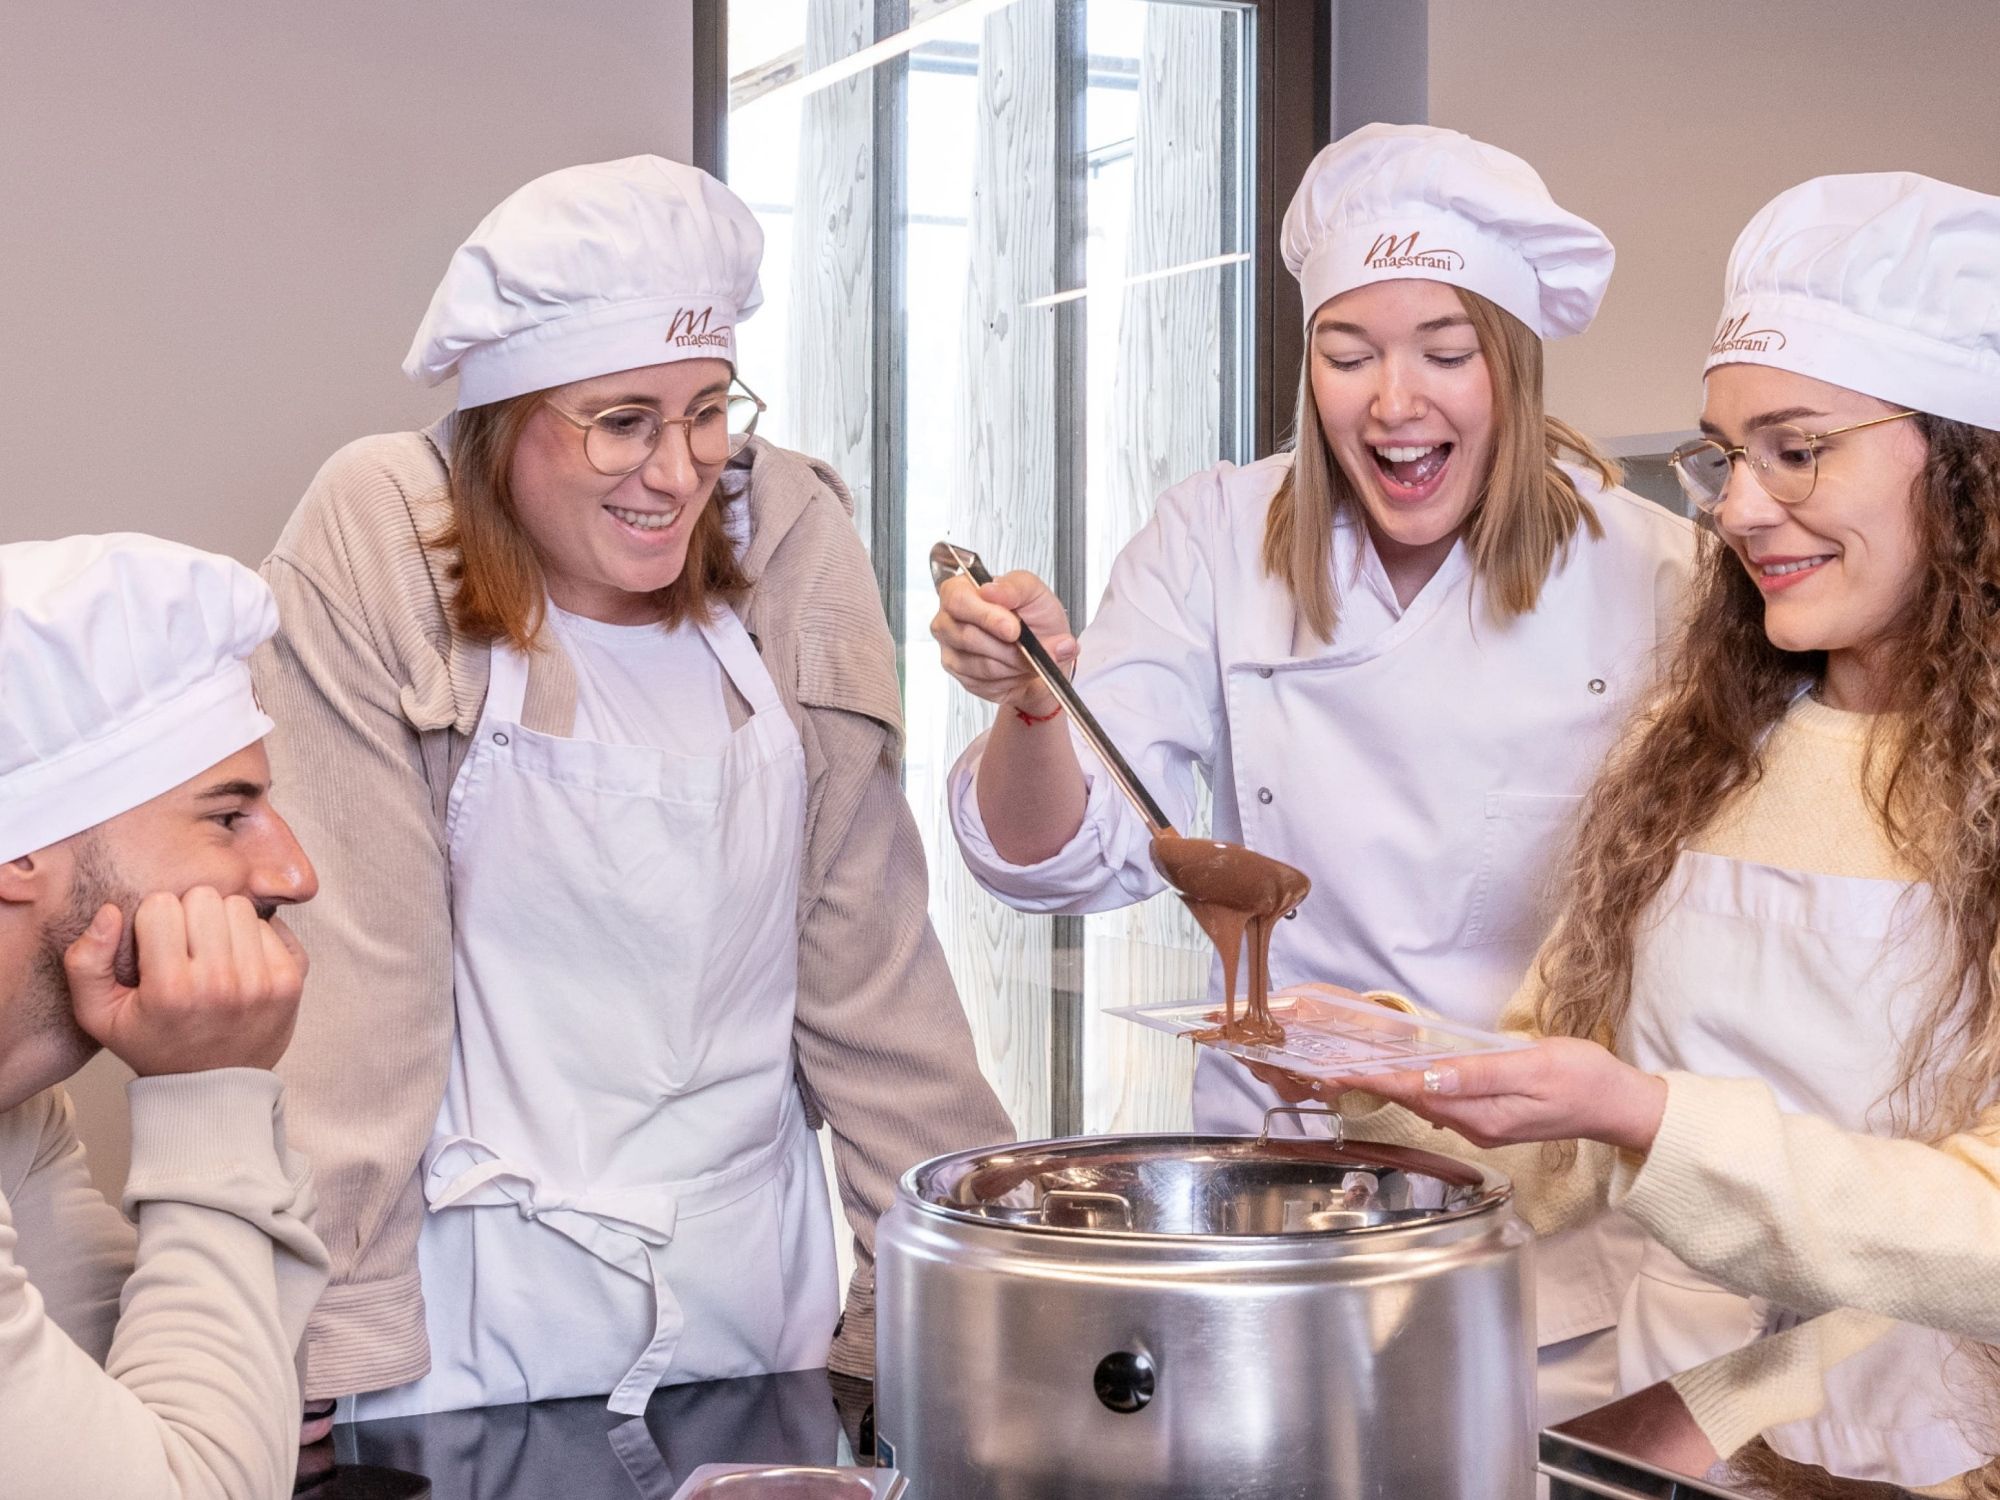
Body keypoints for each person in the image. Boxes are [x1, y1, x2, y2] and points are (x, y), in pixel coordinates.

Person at [932, 123, 1693, 1413]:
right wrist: (1030, 709)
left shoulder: (1656, 575)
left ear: (1509, 363)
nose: (1394, 402)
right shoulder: (1218, 536)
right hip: (1271, 1213)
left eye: (1444, 354)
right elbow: (1061, 860)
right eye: (1349, 355)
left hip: (1544, 1263)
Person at [255, 156, 1013, 1421]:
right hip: (467, 1324)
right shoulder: (384, 537)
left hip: (749, 1316)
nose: (676, 472)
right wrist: (322, 1359)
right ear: (504, 423)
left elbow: (872, 975)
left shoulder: (782, 542)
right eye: (622, 421)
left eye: (709, 410)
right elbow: (359, 993)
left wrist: (945, 1299)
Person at [1326, 171, 2000, 1495]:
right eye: (1726, 456)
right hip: (1683, 1438)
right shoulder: (1698, 751)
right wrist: (1399, 1080)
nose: (1737, 508)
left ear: (1969, 463)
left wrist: (1647, 1120)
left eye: (1797, 449)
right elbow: (1571, 1133)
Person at [0, 533, 327, 1497]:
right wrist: (209, 1097)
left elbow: (200, 1411)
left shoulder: (19, 1111)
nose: (293, 874)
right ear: (22, 850)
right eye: (228, 816)